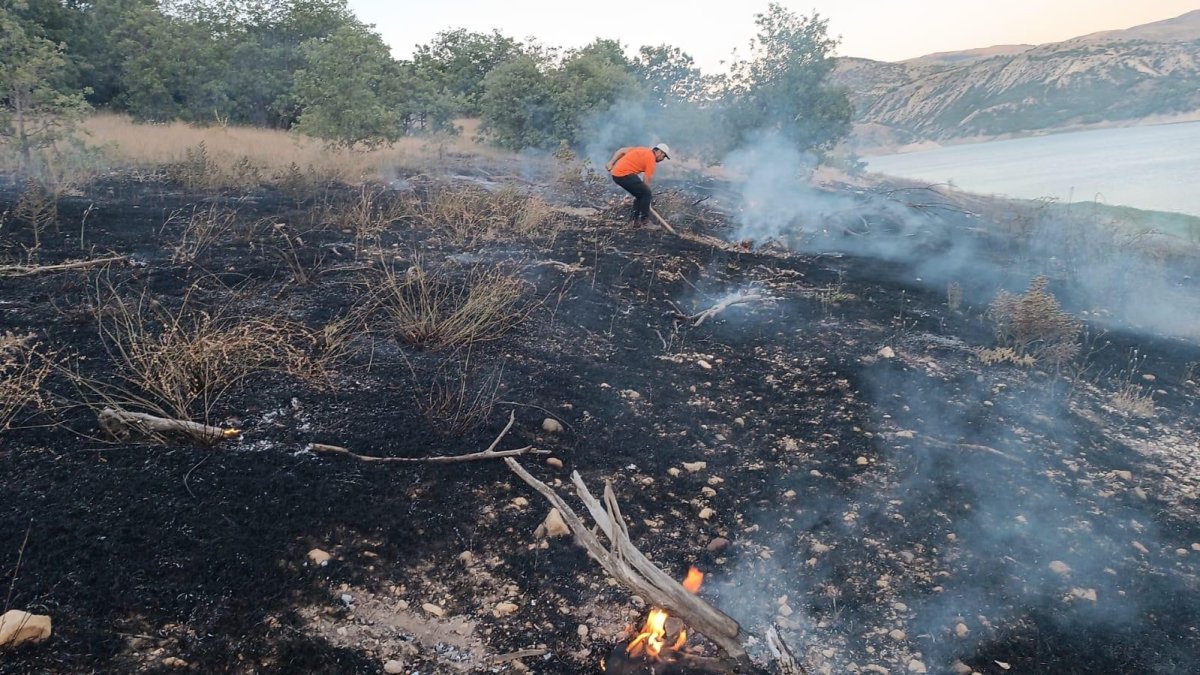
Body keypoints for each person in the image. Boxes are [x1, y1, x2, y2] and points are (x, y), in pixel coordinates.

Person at [605, 143, 670, 225]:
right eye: (663, 156)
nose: (662, 159)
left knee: (640, 194)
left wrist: (611, 162)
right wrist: (646, 199)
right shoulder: (651, 160)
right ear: (659, 152)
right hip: (624, 174)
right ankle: (644, 221)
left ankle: (634, 221)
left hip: (617, 174)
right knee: (646, 193)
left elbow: (621, 151)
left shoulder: (642, 149)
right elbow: (647, 181)